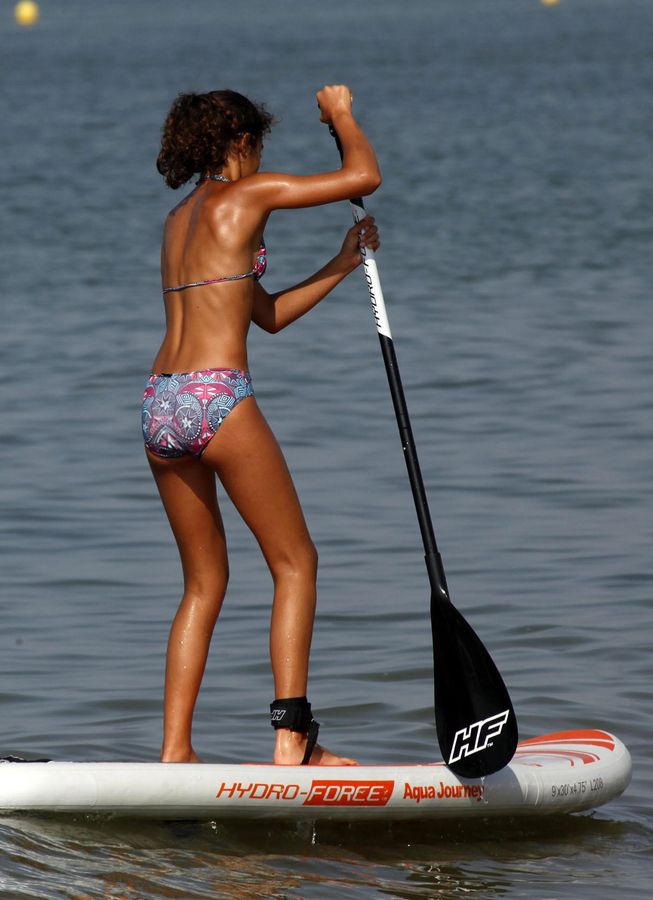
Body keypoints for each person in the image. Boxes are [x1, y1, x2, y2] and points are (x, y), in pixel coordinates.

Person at [144, 85, 382, 765]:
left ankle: (175, 752)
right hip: (219, 398)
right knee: (295, 562)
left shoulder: (177, 221)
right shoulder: (247, 196)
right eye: (260, 148)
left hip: (162, 402)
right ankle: (291, 738)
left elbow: (265, 316)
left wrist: (340, 265)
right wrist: (340, 115)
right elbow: (363, 176)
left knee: (202, 584)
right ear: (242, 142)